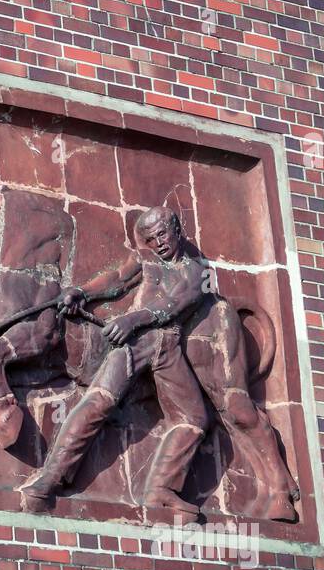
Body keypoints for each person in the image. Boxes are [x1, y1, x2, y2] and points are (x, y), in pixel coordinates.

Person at [20, 206, 209, 520]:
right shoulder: (147, 260)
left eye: (162, 233)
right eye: (150, 238)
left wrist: (132, 318)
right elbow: (118, 278)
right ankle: (47, 482)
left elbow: (176, 303)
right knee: (99, 401)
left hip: (168, 346)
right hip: (138, 343)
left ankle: (160, 489)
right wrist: (82, 292)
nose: (158, 243)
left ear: (176, 229)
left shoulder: (195, 270)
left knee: (195, 418)